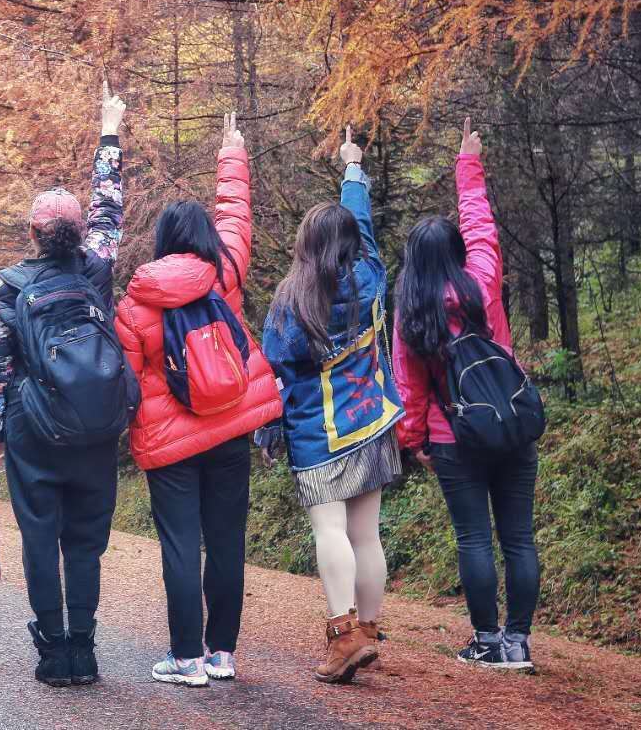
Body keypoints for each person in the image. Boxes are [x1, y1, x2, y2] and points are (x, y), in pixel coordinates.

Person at [114, 113, 283, 688]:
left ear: (161, 243)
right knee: (227, 540)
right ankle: (223, 654)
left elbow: (129, 380)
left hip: (171, 441)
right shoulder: (225, 274)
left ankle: (185, 658)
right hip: (232, 425)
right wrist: (232, 152)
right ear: (205, 239)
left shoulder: (137, 301)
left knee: (181, 543)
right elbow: (237, 216)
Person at [0, 81, 129, 687]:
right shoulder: (97, 268)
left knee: (40, 539)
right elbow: (110, 206)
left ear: (34, 232)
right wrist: (110, 131)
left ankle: (52, 654)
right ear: (75, 232)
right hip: (95, 425)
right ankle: (86, 651)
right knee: (86, 543)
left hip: (31, 428)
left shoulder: (8, 285)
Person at [393, 118, 539, 672]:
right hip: (512, 423)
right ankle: (519, 643)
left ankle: (485, 640)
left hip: (452, 433)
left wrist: (415, 443)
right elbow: (482, 230)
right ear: (455, 251)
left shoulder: (412, 313)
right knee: (519, 538)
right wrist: (467, 165)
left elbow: (409, 387)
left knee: (474, 536)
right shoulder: (482, 279)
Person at [259, 126, 403, 685]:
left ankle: (344, 638)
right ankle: (368, 630)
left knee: (330, 531)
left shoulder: (293, 301)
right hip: (374, 420)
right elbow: (361, 226)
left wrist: (268, 431)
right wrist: (352, 169)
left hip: (320, 432)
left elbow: (274, 367)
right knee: (367, 535)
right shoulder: (369, 275)